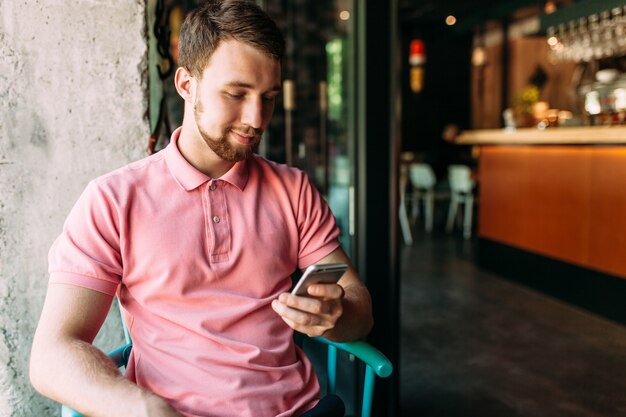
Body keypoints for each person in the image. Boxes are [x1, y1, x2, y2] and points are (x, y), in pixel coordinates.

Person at [28, 1, 373, 416]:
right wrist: (143, 407)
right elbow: (51, 355)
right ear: (186, 84)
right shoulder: (114, 200)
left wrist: (336, 314)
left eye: (268, 98)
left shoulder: (293, 189)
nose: (255, 118)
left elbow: (360, 308)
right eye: (236, 93)